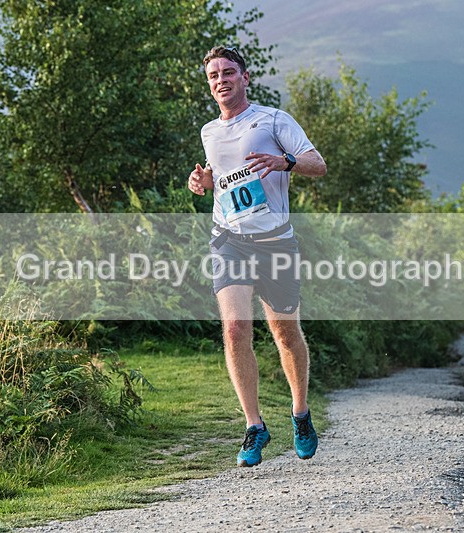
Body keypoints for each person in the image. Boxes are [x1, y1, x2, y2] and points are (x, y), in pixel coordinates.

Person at [188, 46, 327, 467]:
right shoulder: (209, 132)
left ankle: (300, 414)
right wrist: (203, 181)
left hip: (276, 243)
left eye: (228, 72)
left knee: (285, 333)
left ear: (245, 78)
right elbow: (225, 177)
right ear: (209, 84)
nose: (221, 80)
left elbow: (317, 164)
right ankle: (254, 426)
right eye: (214, 75)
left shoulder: (273, 120)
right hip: (229, 239)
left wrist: (284, 162)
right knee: (234, 329)